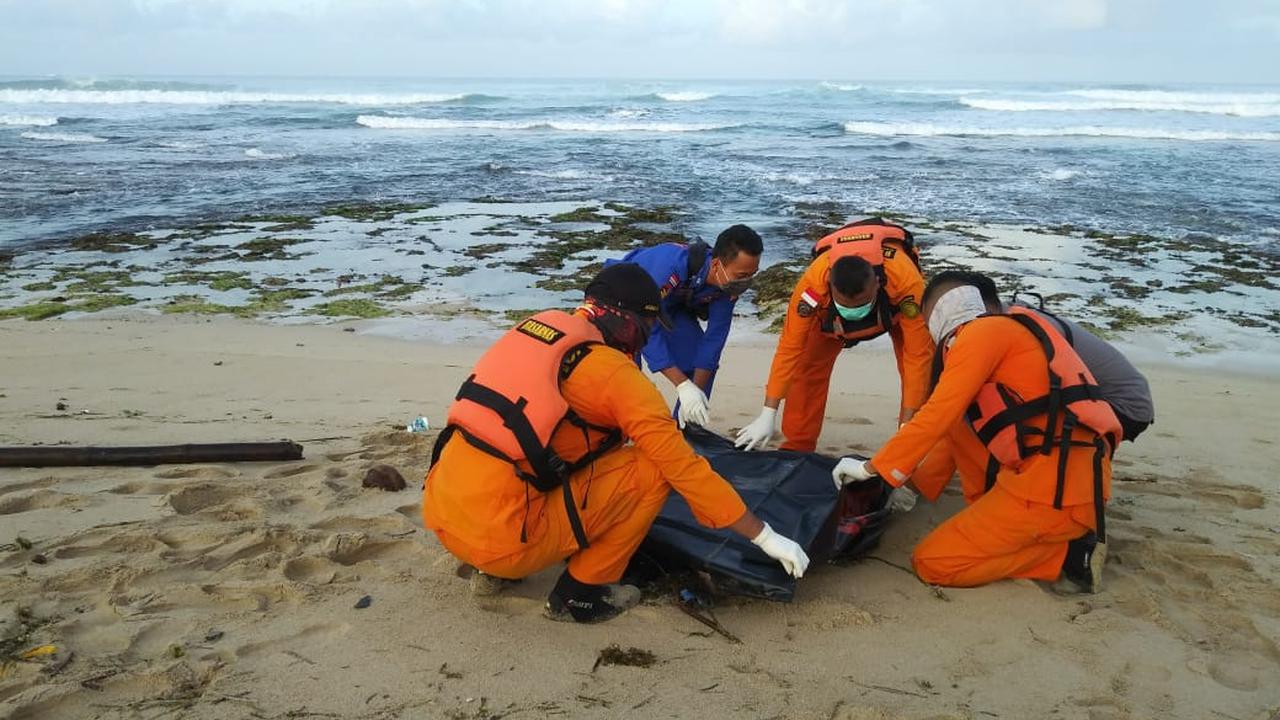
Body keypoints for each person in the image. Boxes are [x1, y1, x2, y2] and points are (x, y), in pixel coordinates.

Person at [422, 263, 809, 624]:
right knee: (654, 466)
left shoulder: (537, 329)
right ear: (629, 323)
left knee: (537, 450)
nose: (645, 338)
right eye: (647, 326)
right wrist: (765, 536)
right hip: (504, 540)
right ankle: (581, 592)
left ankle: (490, 568)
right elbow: (684, 468)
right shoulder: (615, 377)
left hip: (443, 515)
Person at [831, 270, 1122, 593]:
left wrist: (873, 469)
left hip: (1053, 490)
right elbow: (953, 433)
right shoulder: (1007, 332)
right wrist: (909, 486)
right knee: (961, 434)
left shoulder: (982, 335)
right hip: (1062, 478)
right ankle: (1052, 533)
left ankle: (1069, 555)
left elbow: (937, 414)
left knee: (933, 563)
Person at [736, 218, 932, 452]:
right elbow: (790, 348)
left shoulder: (906, 283)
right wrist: (768, 413)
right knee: (807, 370)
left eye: (859, 304)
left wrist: (908, 424)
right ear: (830, 287)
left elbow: (918, 358)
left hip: (894, 312)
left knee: (924, 372)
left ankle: (909, 438)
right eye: (846, 305)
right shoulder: (812, 288)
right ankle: (798, 446)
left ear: (877, 284)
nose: (854, 312)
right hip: (829, 324)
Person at [609, 225, 763, 428]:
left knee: (700, 364)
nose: (746, 282)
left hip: (671, 308)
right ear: (716, 265)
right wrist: (682, 385)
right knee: (626, 372)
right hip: (623, 302)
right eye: (742, 275)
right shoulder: (669, 266)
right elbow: (648, 331)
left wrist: (694, 392)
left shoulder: (727, 286)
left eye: (752, 274)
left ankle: (684, 428)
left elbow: (714, 339)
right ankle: (616, 432)